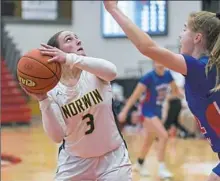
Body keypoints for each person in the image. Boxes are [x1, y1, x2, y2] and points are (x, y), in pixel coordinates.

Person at [103, 1, 220, 180]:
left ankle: (151, 165)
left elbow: (147, 47)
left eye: (184, 29)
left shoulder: (198, 68)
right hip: (150, 113)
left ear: (197, 38)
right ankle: (141, 163)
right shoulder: (206, 69)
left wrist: (113, 9)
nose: (180, 36)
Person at [22, 30, 132, 181]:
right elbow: (57, 136)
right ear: (55, 52)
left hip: (113, 159)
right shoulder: (53, 91)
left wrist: (68, 58)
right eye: (69, 40)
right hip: (75, 162)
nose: (78, 41)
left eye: (77, 38)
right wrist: (42, 100)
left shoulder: (93, 71)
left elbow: (112, 72)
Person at [119, 62, 181, 178]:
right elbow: (135, 96)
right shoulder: (148, 77)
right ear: (153, 63)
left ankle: (139, 164)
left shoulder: (168, 75)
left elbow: (176, 92)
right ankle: (161, 169)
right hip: (147, 112)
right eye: (156, 60)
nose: (159, 62)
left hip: (158, 112)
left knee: (149, 141)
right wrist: (124, 111)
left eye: (161, 59)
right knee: (163, 135)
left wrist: (172, 97)